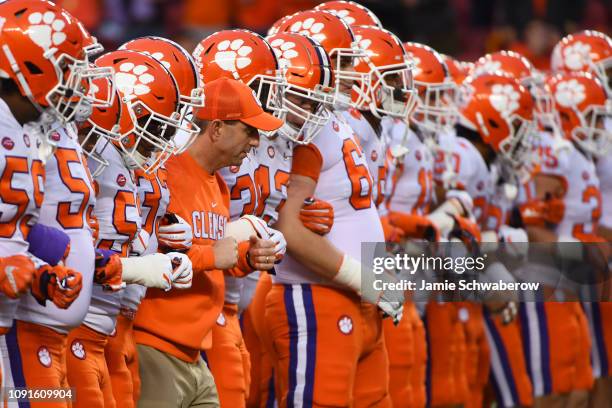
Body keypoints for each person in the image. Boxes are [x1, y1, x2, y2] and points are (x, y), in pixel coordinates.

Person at [134, 77, 283, 408]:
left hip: (196, 353)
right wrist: (211, 255)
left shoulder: (217, 185)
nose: (256, 141)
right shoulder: (164, 173)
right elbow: (143, 255)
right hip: (156, 344)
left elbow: (212, 256)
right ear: (216, 129)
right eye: (249, 130)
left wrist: (246, 258)